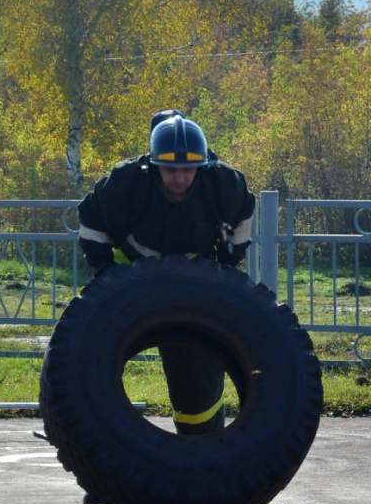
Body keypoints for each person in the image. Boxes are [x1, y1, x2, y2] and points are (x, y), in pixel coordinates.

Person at [77, 112, 255, 446]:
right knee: (86, 340)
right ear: (153, 165)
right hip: (131, 275)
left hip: (197, 279)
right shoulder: (125, 181)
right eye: (171, 169)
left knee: (198, 370)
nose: (180, 178)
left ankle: (201, 442)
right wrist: (106, 271)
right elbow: (90, 223)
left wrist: (230, 263)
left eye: (188, 169)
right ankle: (88, 444)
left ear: (200, 166)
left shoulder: (223, 183)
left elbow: (243, 219)